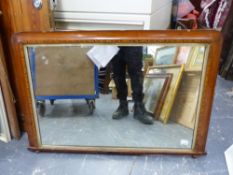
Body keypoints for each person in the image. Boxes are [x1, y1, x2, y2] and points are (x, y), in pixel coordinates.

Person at [111, 46, 154, 125]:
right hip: (114, 42)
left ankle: (138, 107)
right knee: (117, 74)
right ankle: (123, 106)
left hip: (133, 39)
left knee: (136, 74)